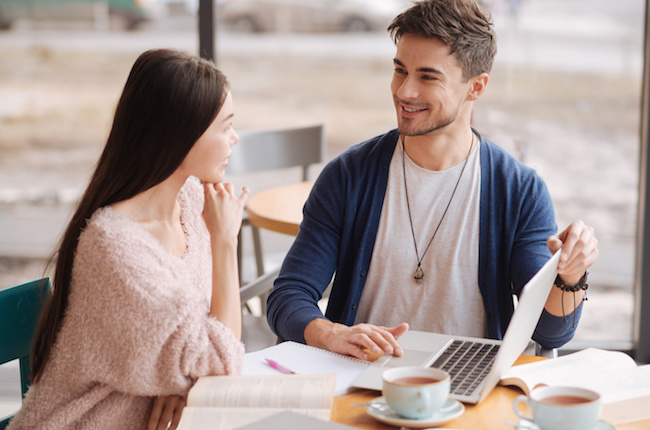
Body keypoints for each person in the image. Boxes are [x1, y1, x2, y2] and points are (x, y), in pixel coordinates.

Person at [266, 0, 598, 361]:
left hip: (469, 387)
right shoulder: (348, 176)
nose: (405, 91)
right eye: (399, 70)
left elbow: (551, 331)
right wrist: (332, 334)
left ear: (476, 87)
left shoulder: (518, 190)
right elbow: (289, 296)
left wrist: (571, 276)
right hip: (361, 378)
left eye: (427, 76)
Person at [8, 49, 249, 430]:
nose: (234, 138)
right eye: (225, 126)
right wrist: (225, 242)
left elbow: (203, 349)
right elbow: (221, 360)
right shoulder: (114, 247)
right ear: (180, 133)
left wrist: (182, 378)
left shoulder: (189, 202)